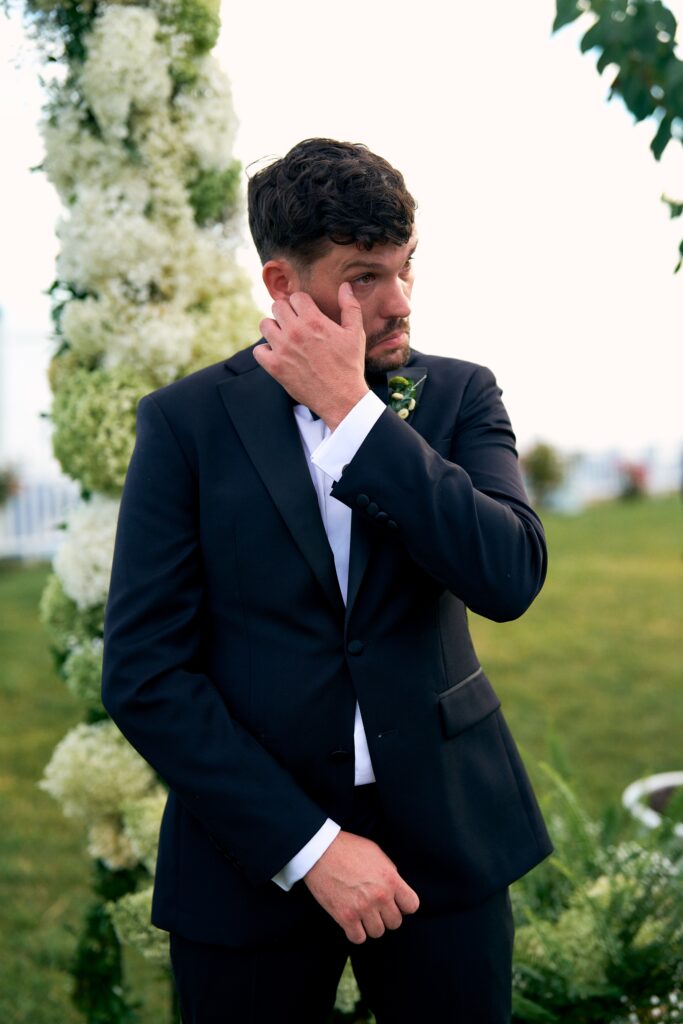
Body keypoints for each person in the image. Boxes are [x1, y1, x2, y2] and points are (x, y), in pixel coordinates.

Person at [102, 138, 552, 1023]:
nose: (400, 300)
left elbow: (508, 577)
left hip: (446, 839)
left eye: (406, 266)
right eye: (364, 277)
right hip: (251, 854)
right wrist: (309, 849)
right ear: (282, 283)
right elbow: (145, 675)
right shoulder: (184, 423)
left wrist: (354, 416)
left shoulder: (460, 396)